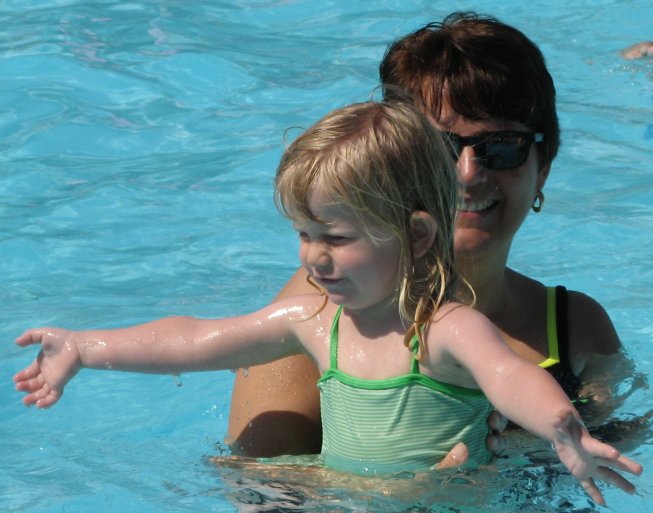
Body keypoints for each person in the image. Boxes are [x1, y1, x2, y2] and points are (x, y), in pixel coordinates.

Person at [14, 101, 642, 506]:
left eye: (337, 239)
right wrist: (87, 347)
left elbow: (508, 376)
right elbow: (198, 338)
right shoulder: (317, 322)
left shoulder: (446, 328)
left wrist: (562, 426)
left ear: (417, 236)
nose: (313, 258)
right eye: (304, 235)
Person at [227, 11, 633, 462]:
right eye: (440, 149)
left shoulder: (576, 327)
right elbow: (254, 488)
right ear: (390, 168)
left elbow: (620, 456)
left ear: (543, 169)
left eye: (501, 147)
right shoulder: (322, 309)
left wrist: (523, 452)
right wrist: (406, 497)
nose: (468, 173)